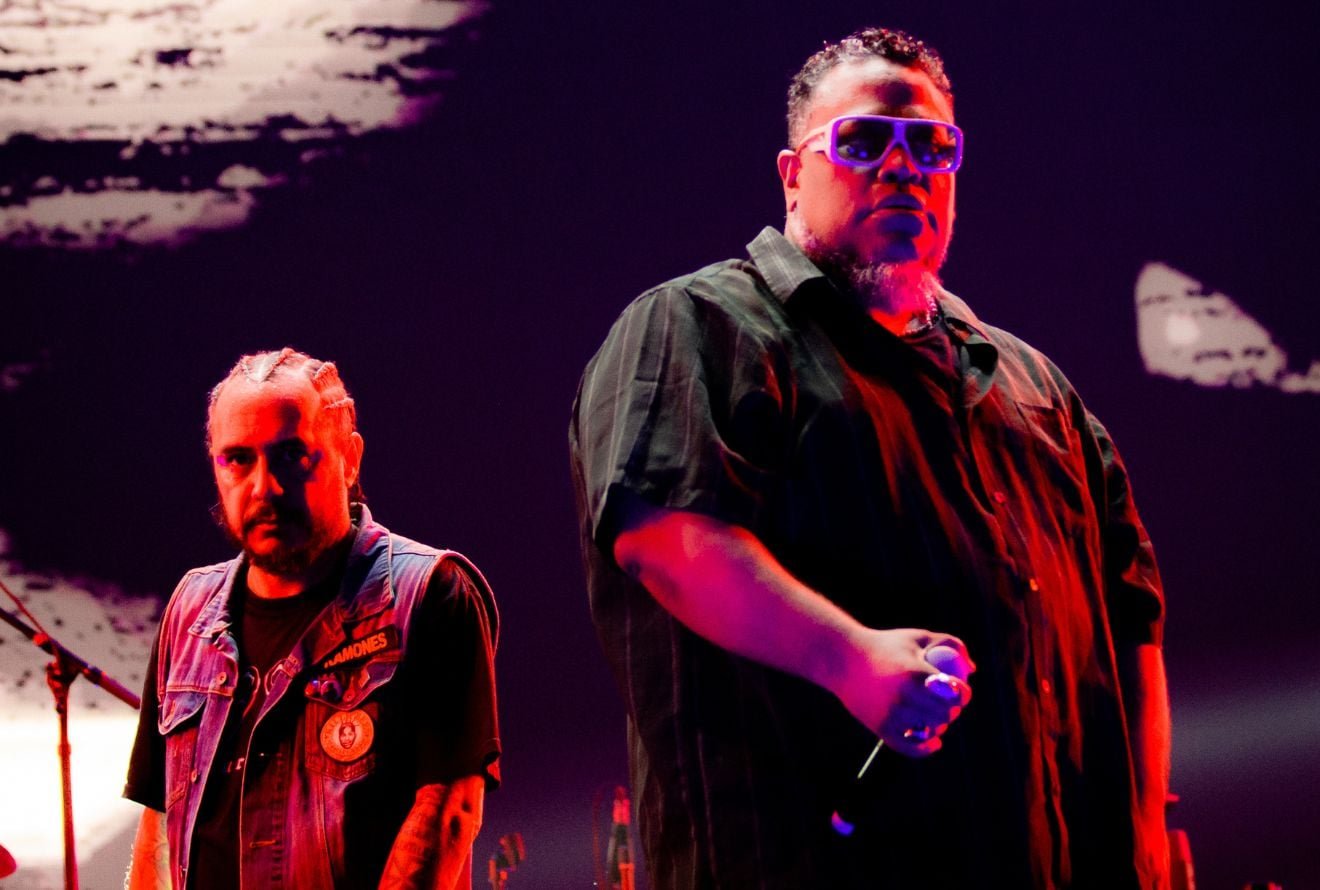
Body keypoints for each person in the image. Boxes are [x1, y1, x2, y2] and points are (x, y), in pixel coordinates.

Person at [569, 26, 1170, 890]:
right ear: (792, 174)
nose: (902, 168)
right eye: (863, 140)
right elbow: (661, 535)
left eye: (931, 146)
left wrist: (1144, 841)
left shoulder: (1038, 387)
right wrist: (848, 658)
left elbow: (1132, 615)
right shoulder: (700, 323)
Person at [124, 348, 501, 889]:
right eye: (238, 460)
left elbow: (448, 815)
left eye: (291, 455)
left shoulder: (429, 593)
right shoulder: (189, 611)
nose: (263, 487)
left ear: (350, 457)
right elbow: (158, 828)